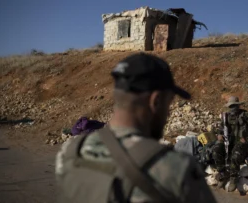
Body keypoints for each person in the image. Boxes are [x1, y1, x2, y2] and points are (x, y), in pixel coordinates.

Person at [55, 53, 217, 203]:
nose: (168, 113)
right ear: (156, 101)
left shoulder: (70, 152)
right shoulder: (177, 168)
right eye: (169, 103)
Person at [212, 96, 248, 192]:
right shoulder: (226, 117)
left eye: (235, 106)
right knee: (216, 150)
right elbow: (221, 129)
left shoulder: (245, 115)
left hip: (241, 143)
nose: (233, 108)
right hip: (228, 142)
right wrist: (220, 135)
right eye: (231, 106)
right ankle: (222, 173)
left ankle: (233, 177)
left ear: (238, 106)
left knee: (235, 155)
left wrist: (247, 139)